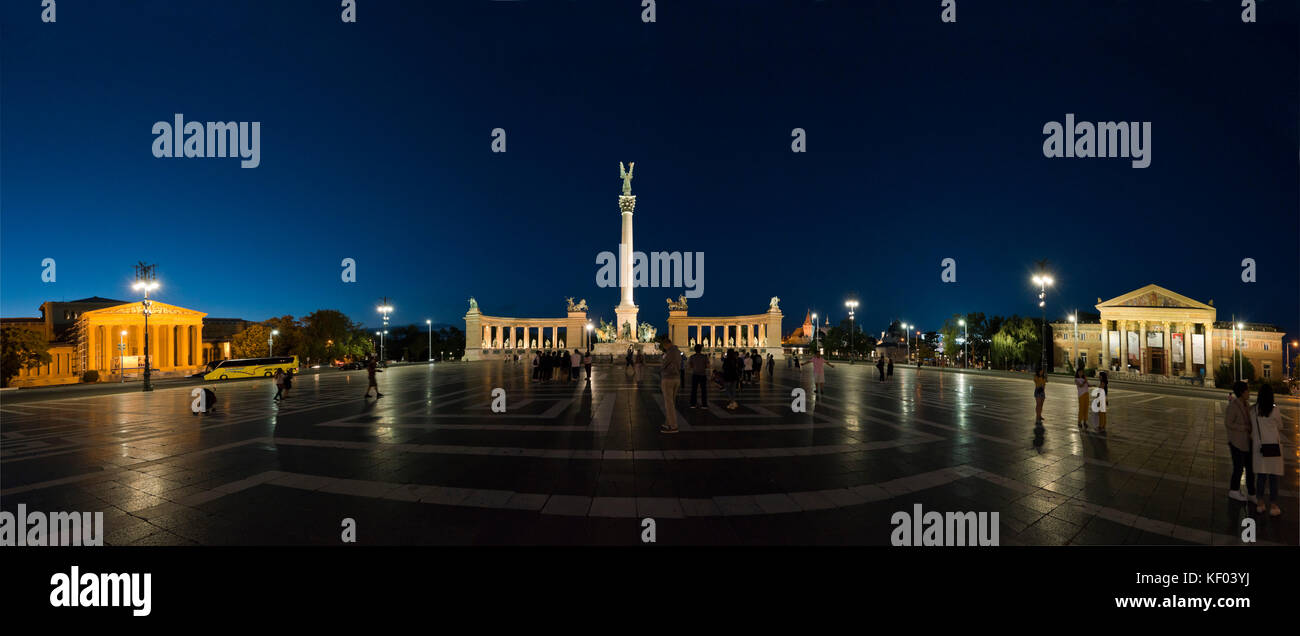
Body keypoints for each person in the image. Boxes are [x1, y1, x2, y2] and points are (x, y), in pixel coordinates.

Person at [1251, 384, 1282, 516]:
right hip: (1273, 447)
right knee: (1273, 477)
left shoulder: (1253, 410)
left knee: (1261, 477)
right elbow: (1280, 425)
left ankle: (1260, 503)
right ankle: (1274, 506)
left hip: (1260, 447)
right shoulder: (1275, 410)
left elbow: (1252, 427)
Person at [1224, 381, 1256, 502]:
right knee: (1238, 468)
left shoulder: (1246, 404)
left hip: (1247, 442)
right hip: (1236, 442)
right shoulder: (1233, 405)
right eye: (1247, 390)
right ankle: (1234, 490)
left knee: (1250, 469)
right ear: (1242, 392)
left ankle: (1252, 493)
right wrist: (1243, 428)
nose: (1249, 393)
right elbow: (1228, 423)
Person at [659, 336, 682, 433]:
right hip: (676, 378)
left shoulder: (670, 352)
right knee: (671, 402)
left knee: (669, 404)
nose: (664, 348)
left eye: (664, 346)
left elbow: (664, 364)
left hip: (668, 378)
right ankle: (668, 422)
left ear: (667, 344)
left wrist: (662, 360)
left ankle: (673, 426)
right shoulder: (678, 351)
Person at [688, 344, 710, 409]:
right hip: (703, 375)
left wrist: (695, 367)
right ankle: (704, 405)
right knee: (704, 390)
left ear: (694, 349)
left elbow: (690, 366)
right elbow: (708, 366)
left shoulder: (692, 357)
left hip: (695, 374)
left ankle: (693, 404)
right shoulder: (704, 357)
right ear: (701, 349)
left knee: (694, 390)